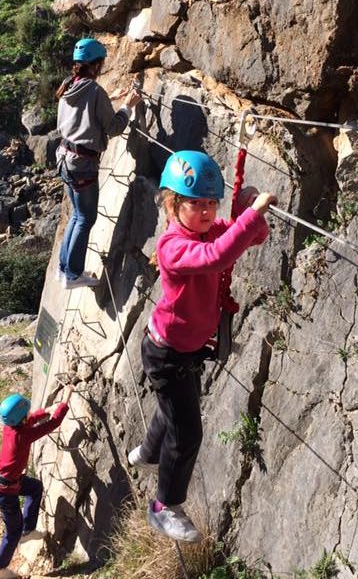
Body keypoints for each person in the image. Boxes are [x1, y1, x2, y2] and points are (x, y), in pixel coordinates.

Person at [127, 150, 277, 543]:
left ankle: (147, 453)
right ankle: (164, 507)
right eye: (197, 204)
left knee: (174, 406)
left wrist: (249, 213)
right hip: (165, 353)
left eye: (212, 203)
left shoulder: (207, 230)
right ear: (173, 204)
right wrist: (248, 217)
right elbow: (218, 256)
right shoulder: (173, 246)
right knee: (188, 431)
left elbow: (251, 238)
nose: (208, 211)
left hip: (184, 350)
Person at [56, 37, 142, 289]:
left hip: (65, 158)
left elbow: (82, 116)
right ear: (96, 64)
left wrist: (111, 98)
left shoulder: (69, 86)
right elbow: (114, 127)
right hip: (81, 164)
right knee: (85, 218)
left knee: (77, 215)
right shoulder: (93, 91)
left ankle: (64, 270)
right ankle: (72, 274)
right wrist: (127, 106)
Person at [0, 385, 74, 579]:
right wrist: (65, 400)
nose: (28, 416)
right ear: (21, 418)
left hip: (6, 483)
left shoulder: (10, 428)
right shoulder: (23, 436)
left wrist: (45, 411)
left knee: (35, 488)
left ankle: (28, 530)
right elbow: (52, 424)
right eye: (26, 413)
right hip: (6, 492)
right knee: (12, 532)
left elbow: (29, 420)